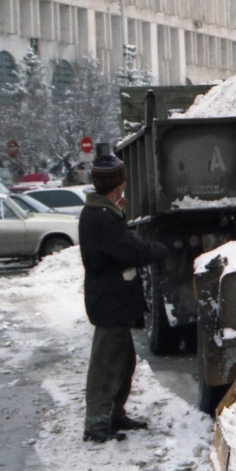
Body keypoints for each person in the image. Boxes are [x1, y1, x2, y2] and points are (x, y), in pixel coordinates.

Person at [80, 154, 168, 443]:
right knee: (106, 364)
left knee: (123, 361)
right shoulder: (101, 217)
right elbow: (129, 249)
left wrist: (118, 214)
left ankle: (114, 415)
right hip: (109, 300)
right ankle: (96, 423)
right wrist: (160, 249)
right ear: (118, 185)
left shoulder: (103, 212)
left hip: (111, 299)